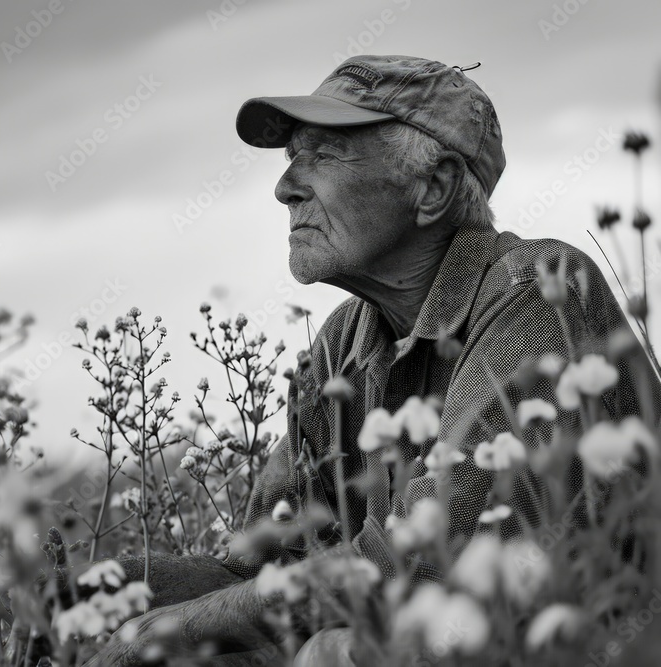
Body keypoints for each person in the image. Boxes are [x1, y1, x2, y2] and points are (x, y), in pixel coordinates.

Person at [86, 54, 661, 666]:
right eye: (291, 159)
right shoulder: (340, 348)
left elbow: (432, 556)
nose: (286, 188)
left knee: (331, 653)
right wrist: (101, 588)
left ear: (433, 188)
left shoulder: (538, 287)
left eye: (325, 156)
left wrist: (165, 631)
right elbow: (262, 567)